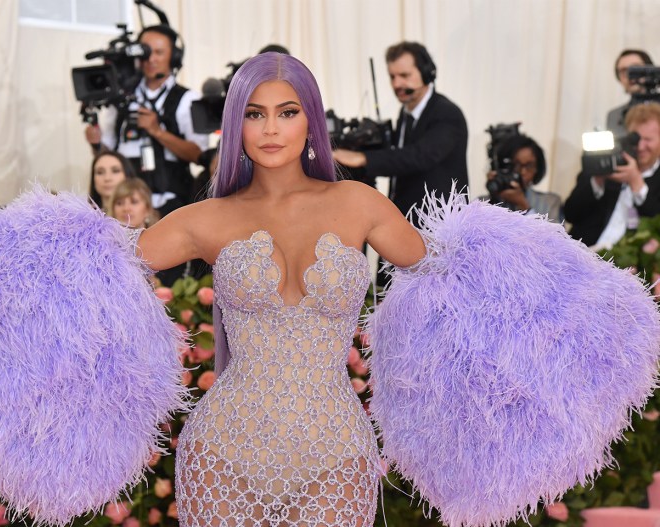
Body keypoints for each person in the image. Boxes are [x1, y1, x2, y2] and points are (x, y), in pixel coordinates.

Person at [136, 52, 425, 526]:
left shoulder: (359, 204)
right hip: (222, 453)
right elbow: (96, 270)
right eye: (255, 114)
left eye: (287, 112)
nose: (271, 129)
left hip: (335, 454)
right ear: (236, 124)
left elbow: (454, 276)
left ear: (311, 120)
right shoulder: (207, 218)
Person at [332, 41, 468, 225]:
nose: (397, 84)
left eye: (404, 75)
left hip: (440, 226)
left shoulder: (447, 113)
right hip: (406, 221)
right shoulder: (404, 114)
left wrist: (363, 158)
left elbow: (419, 156)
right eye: (392, 77)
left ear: (427, 73)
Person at [85, 25, 209, 216]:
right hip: (124, 207)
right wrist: (96, 144)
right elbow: (106, 153)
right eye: (146, 52)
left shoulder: (188, 99)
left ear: (174, 57)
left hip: (172, 204)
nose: (151, 59)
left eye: (159, 52)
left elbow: (198, 154)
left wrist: (157, 131)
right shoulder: (118, 99)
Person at [565, 102, 660, 247]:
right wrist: (597, 181)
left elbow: (655, 223)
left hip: (629, 263)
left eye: (648, 140)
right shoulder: (609, 160)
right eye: (636, 138)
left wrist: (636, 183)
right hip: (582, 252)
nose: (641, 147)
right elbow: (571, 213)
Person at [483, 134, 563, 222]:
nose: (522, 172)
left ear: (537, 169)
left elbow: (555, 235)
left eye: (529, 166)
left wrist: (524, 206)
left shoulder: (550, 203)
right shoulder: (482, 203)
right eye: (516, 165)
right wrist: (494, 198)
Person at [606, 49, 654, 137]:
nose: (630, 75)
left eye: (636, 68)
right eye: (623, 71)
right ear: (619, 79)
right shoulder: (614, 116)